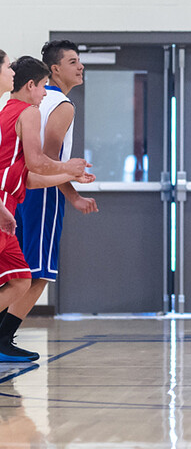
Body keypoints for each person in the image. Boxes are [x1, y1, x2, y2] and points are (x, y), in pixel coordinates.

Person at [0, 41, 98, 354]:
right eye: (72, 62)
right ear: (52, 71)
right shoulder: (57, 105)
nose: (80, 67)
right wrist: (70, 182)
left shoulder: (16, 106)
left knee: (17, 274)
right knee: (37, 272)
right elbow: (43, 158)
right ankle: (4, 338)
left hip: (17, 194)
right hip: (35, 195)